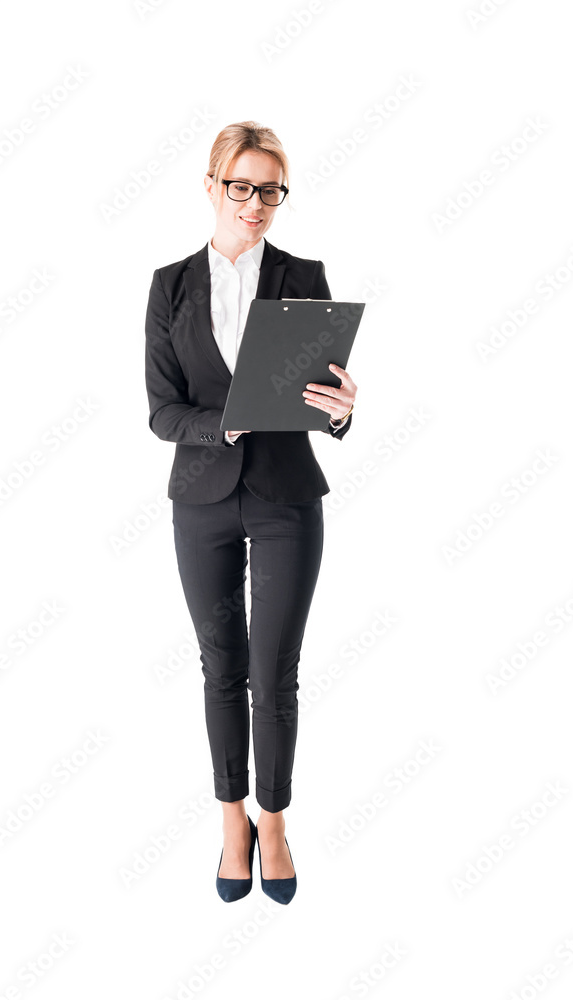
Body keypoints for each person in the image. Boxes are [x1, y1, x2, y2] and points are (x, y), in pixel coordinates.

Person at [144, 120, 357, 903]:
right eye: (241, 186)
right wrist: (220, 423)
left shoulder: (304, 275)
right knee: (219, 666)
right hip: (199, 496)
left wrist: (341, 410)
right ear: (211, 186)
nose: (256, 203)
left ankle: (273, 819)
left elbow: (323, 402)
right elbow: (161, 412)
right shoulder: (169, 285)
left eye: (271, 189)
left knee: (275, 671)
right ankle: (230, 816)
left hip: (285, 496)